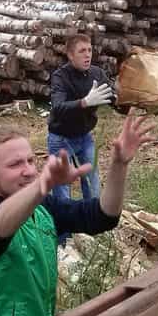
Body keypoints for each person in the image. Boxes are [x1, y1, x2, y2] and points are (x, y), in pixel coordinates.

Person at [0, 114, 154, 316]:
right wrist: (43, 184)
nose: (29, 170)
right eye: (15, 164)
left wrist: (119, 165)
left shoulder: (42, 208)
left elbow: (102, 217)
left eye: (31, 161)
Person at [47, 34, 114, 205]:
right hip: (61, 139)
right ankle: (64, 230)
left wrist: (132, 101)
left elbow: (113, 96)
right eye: (82, 51)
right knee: (62, 186)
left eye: (90, 50)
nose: (87, 55)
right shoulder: (60, 77)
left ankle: (93, 222)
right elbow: (58, 107)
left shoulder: (97, 73)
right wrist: (84, 103)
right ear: (70, 55)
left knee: (92, 181)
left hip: (85, 136)